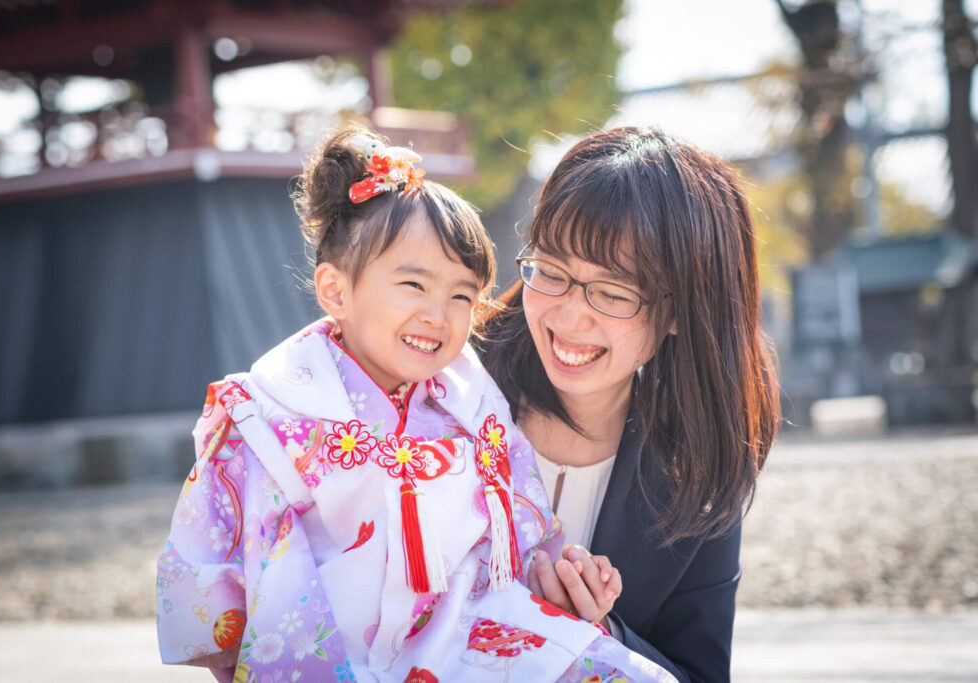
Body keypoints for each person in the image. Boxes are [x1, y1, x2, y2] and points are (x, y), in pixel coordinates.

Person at [156, 125, 675, 682]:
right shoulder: (270, 417)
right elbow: (253, 584)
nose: (439, 315)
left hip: (466, 635)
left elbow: (516, 541)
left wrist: (567, 579)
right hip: (330, 654)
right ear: (335, 290)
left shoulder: (472, 405)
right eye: (413, 285)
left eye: (460, 295)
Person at [478, 127, 781, 683]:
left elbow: (699, 672)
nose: (569, 318)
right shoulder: (444, 380)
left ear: (676, 313)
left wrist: (600, 636)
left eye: (613, 293)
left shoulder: (700, 472)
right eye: (550, 271)